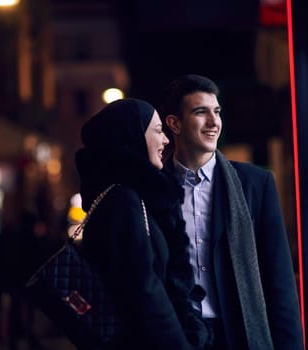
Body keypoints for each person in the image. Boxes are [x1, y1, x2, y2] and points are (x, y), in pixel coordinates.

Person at [160, 74, 304, 350]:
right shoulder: (155, 189)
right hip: (177, 335)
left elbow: (279, 281)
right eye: (201, 112)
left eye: (217, 112)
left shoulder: (255, 184)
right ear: (174, 123)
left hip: (237, 334)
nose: (214, 122)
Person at [75, 98, 212, 350]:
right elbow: (144, 292)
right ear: (133, 137)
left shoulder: (127, 198)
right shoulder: (123, 202)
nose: (166, 140)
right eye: (158, 131)